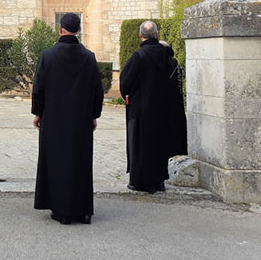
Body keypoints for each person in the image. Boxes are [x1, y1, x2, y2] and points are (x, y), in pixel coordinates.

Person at [32, 13, 103, 225]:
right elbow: (97, 90)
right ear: (78, 30)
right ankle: (82, 210)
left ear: (61, 29)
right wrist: (94, 115)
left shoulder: (48, 56)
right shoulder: (89, 57)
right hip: (80, 118)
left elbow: (39, 88)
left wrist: (38, 112)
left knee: (57, 161)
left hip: (54, 118)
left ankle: (61, 209)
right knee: (79, 161)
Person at [120, 21, 188, 194]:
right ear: (157, 35)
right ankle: (158, 181)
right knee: (160, 145)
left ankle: (141, 182)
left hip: (142, 109)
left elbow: (125, 83)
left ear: (140, 36)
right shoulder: (169, 58)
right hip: (164, 110)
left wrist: (130, 95)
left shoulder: (139, 56)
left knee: (140, 146)